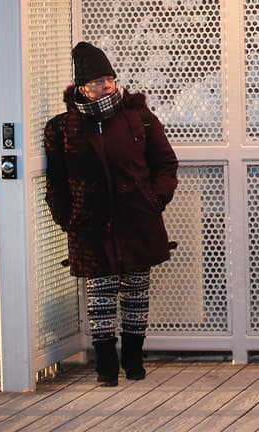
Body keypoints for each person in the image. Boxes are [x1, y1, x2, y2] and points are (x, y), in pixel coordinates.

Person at [43, 41, 179, 387]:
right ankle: (105, 365)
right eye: (96, 83)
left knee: (136, 293)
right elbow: (56, 179)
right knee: (100, 297)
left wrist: (155, 199)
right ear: (81, 88)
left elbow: (165, 163)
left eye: (108, 80)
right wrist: (68, 217)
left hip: (137, 218)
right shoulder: (62, 128)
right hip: (90, 225)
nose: (104, 88)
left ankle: (133, 360)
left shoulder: (139, 118)